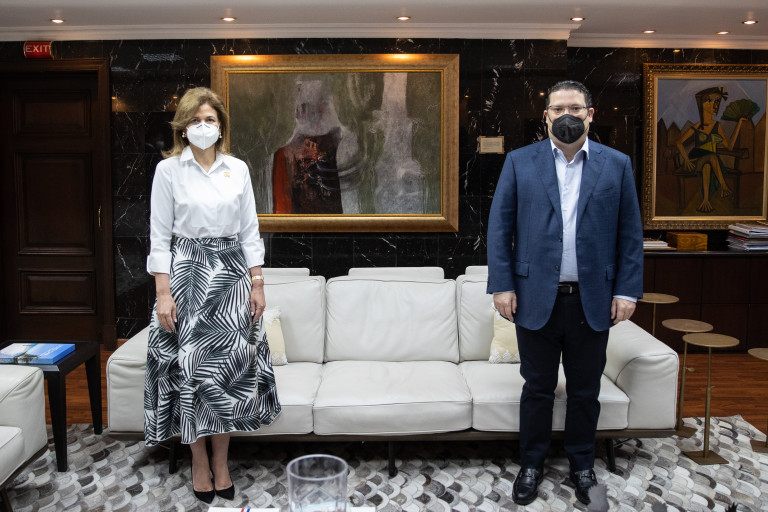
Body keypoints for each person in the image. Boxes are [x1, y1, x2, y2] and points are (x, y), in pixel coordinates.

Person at [486, 80, 643, 506]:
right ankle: (531, 464)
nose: (566, 115)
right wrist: (502, 285)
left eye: (575, 107)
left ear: (590, 114)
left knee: (585, 391)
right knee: (537, 388)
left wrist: (627, 291)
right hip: (534, 297)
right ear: (546, 116)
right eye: (558, 109)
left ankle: (582, 466)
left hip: (592, 300)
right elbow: (499, 229)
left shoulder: (617, 165)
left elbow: (630, 234)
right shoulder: (520, 162)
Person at [144, 87, 281, 504]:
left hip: (232, 275)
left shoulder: (237, 169)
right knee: (192, 373)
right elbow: (159, 235)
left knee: (225, 374)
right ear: (183, 128)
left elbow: (250, 230)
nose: (203, 126)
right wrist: (163, 293)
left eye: (210, 119)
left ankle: (221, 463)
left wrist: (258, 283)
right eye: (195, 120)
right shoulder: (168, 171)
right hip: (187, 275)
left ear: (221, 127)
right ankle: (198, 462)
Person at [675, 86, 745, 213]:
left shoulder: (716, 126)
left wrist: (739, 124)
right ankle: (724, 186)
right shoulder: (697, 126)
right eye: (712, 102)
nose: (716, 106)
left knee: (708, 163)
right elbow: (679, 143)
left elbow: (729, 146)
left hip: (710, 160)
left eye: (718, 102)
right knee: (710, 158)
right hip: (694, 159)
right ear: (703, 104)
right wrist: (686, 159)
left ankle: (706, 200)